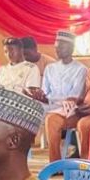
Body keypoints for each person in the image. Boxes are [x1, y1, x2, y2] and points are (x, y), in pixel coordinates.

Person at [37, 31, 87, 160]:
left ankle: (54, 162)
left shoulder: (80, 69)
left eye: (61, 47)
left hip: (70, 109)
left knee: (51, 119)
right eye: (56, 47)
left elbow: (74, 97)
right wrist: (39, 96)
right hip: (50, 106)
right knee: (28, 112)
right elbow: (45, 92)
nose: (57, 50)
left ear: (71, 48)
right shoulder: (50, 68)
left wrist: (52, 100)